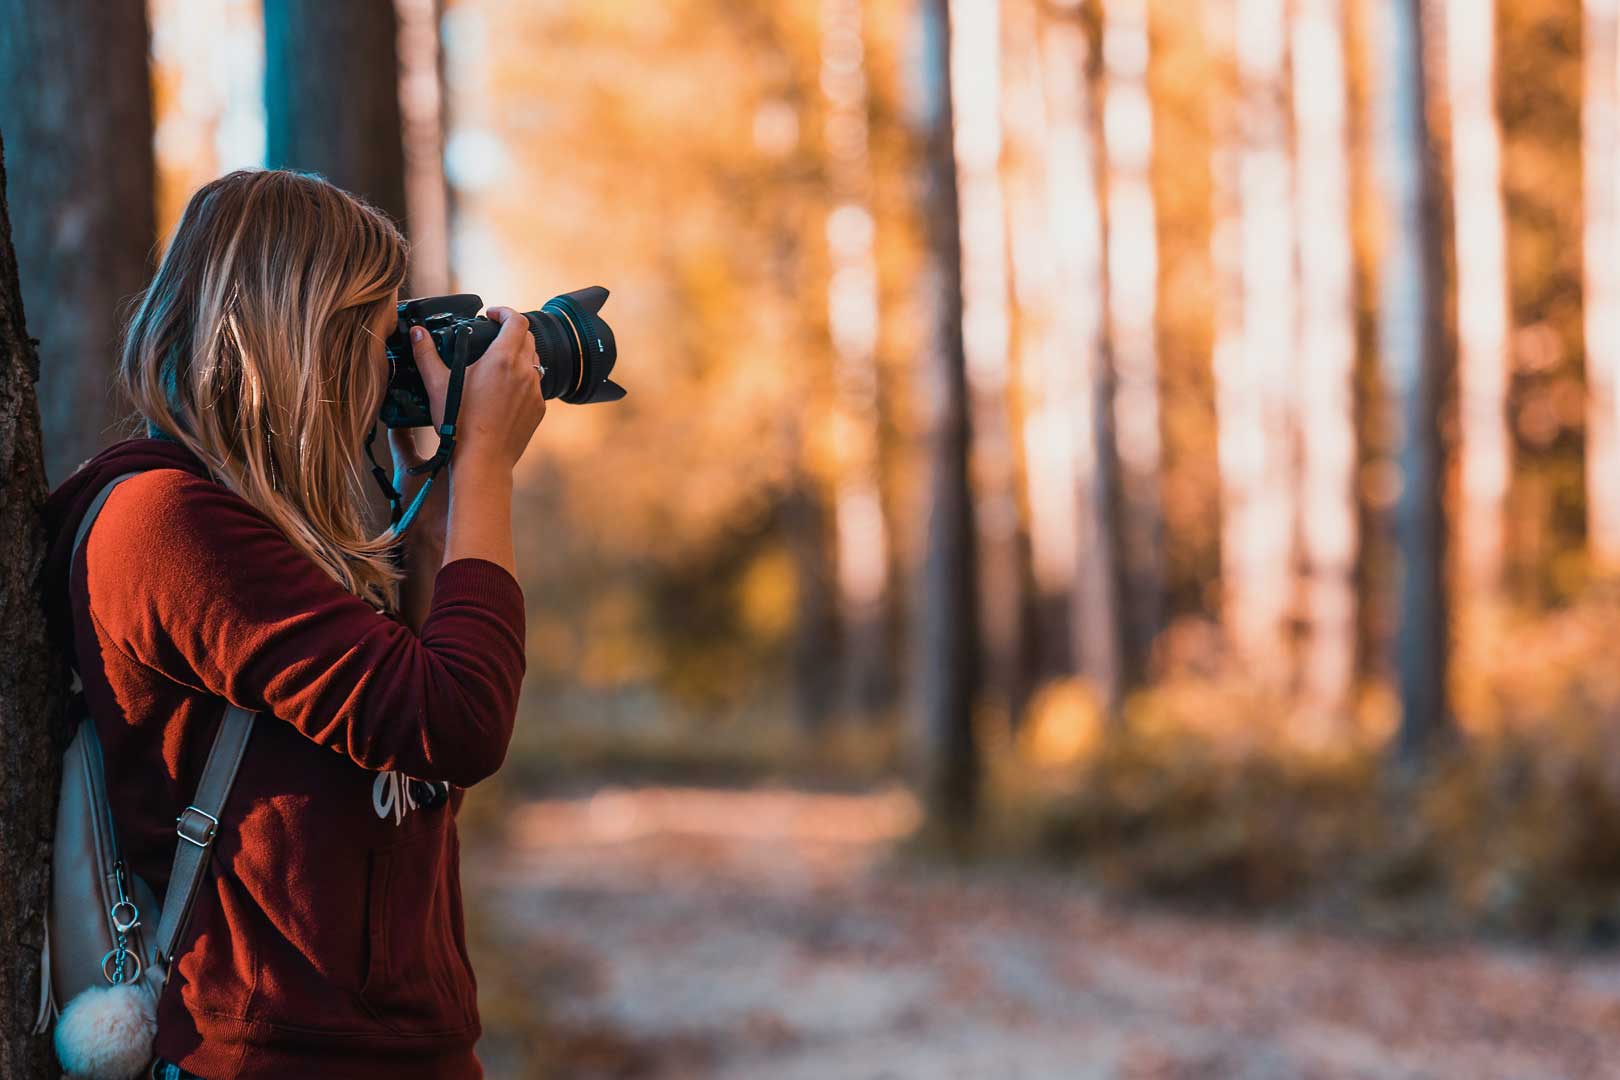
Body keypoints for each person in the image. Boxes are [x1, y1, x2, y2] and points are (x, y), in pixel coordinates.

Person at [41, 168, 545, 1078]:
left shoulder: (271, 535)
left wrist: (421, 480)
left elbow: (412, 751)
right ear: (305, 335)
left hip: (388, 1048)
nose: (384, 361)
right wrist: (483, 469)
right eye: (373, 332)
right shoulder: (166, 524)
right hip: (268, 1054)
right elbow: (456, 720)